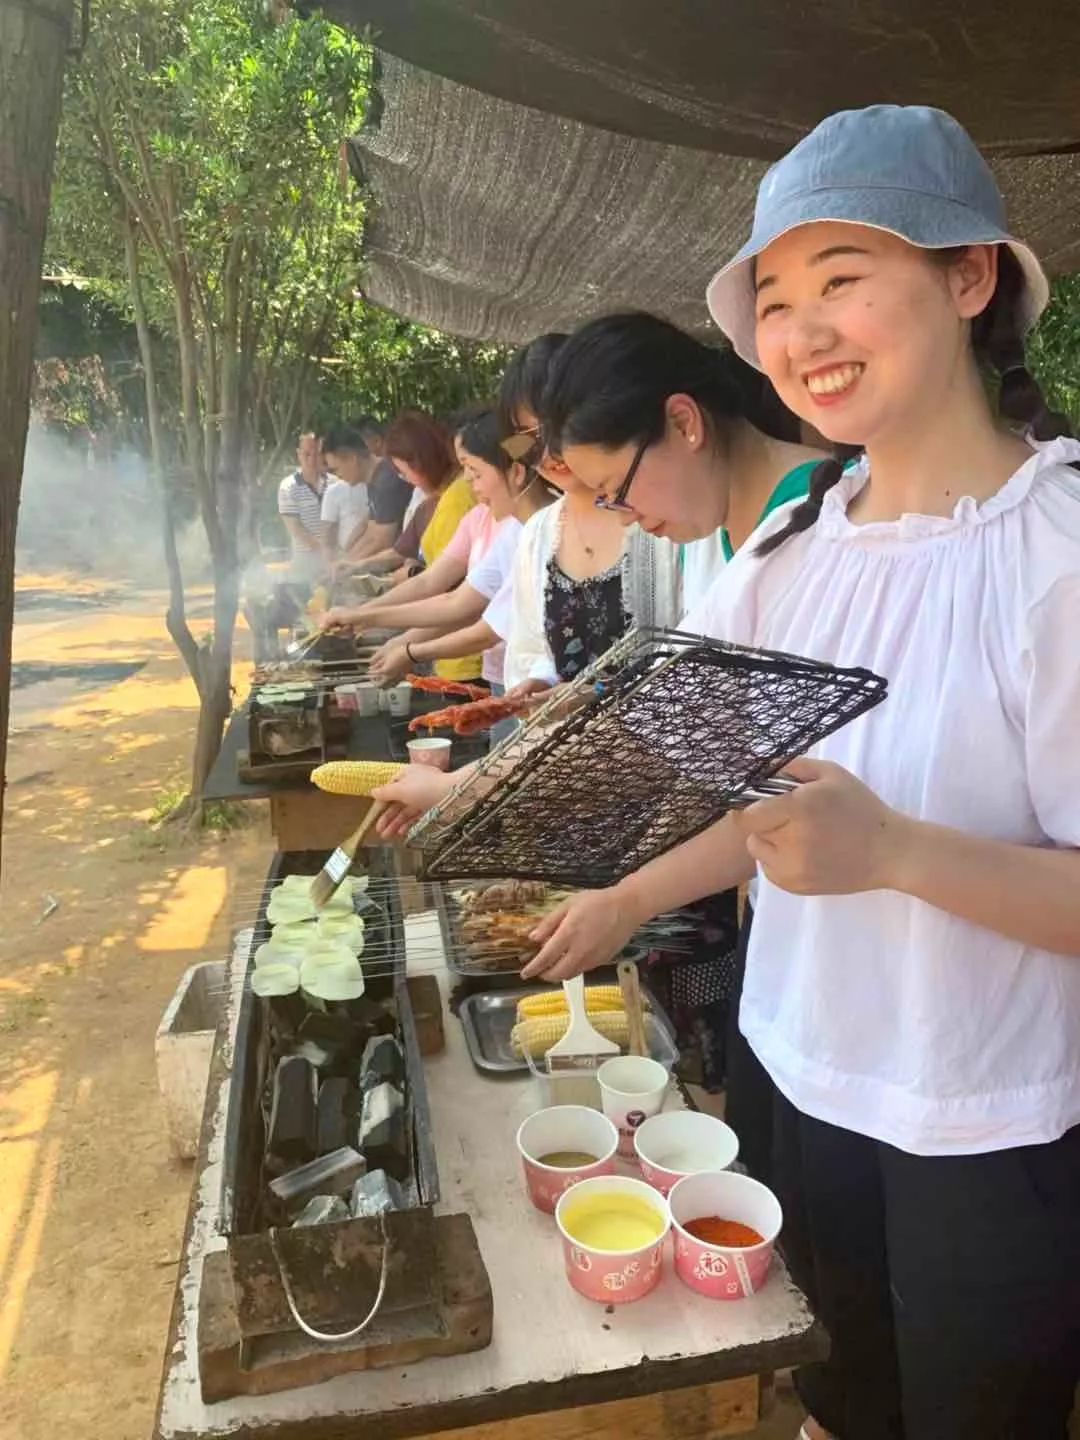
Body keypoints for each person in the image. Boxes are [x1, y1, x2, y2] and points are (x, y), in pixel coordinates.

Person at [519, 105, 1080, 1440]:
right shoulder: (789, 561)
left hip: (982, 1134)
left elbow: (862, 842)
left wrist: (900, 856)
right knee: (834, 1406)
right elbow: (763, 813)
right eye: (775, 301)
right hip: (794, 1078)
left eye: (844, 282)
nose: (802, 335)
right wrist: (619, 900)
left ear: (967, 277)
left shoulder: (1053, 556)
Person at [367, 410, 556, 702]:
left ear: (516, 473)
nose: (468, 481)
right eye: (465, 469)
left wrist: (406, 647)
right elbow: (451, 596)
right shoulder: (522, 529)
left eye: (475, 471)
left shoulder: (540, 530)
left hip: (538, 689)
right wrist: (369, 619)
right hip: (519, 681)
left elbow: (478, 620)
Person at [321, 410, 482, 680]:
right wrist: (360, 614)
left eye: (403, 471)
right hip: (453, 650)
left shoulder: (457, 501)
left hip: (468, 655)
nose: (403, 478)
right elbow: (430, 580)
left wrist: (399, 642)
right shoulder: (437, 499)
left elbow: (449, 593)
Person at [336, 416, 414, 561]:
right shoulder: (374, 480)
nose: (338, 475)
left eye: (337, 469)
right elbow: (371, 530)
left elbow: (383, 541)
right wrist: (346, 560)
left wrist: (350, 565)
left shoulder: (388, 479)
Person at [277, 432, 329, 580]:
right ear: (298, 454)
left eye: (315, 454)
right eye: (306, 454)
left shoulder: (335, 483)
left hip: (335, 562)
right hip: (304, 565)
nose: (311, 459)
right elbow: (296, 529)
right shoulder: (288, 487)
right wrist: (326, 552)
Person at [319, 431, 372, 564]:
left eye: (336, 469)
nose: (337, 475)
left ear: (352, 459)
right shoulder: (373, 484)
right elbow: (367, 524)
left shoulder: (385, 482)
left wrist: (348, 563)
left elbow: (380, 537)